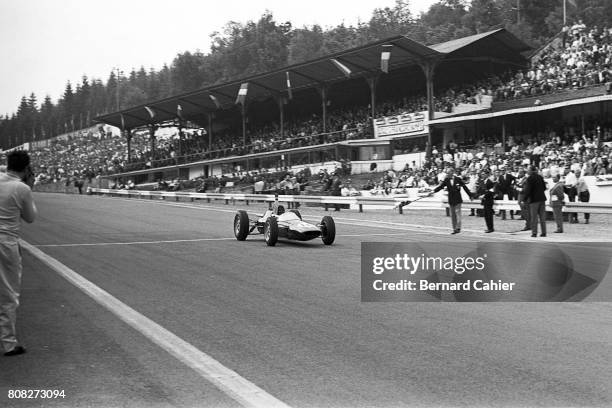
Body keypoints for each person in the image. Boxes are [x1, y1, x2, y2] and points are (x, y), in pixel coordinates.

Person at [0, 150, 37, 356]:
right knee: (8, 293)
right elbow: (30, 218)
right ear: (26, 168)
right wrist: (29, 186)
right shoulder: (22, 188)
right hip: (6, 243)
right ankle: (8, 343)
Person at [430, 167, 472, 234]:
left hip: (458, 199)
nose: (447, 174)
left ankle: (458, 227)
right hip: (451, 199)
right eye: (447, 173)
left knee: (458, 213)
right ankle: (454, 229)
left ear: (452, 172)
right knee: (453, 215)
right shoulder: (446, 180)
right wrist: (433, 191)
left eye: (448, 172)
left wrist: (470, 195)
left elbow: (464, 187)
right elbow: (440, 187)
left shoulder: (458, 179)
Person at [522, 166, 547, 237]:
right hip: (542, 198)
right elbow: (544, 187)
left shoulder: (530, 178)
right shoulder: (540, 177)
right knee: (542, 217)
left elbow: (527, 190)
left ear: (531, 171)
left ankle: (534, 232)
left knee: (534, 217)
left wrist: (524, 199)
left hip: (534, 200)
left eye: (528, 170)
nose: (527, 171)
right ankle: (544, 232)